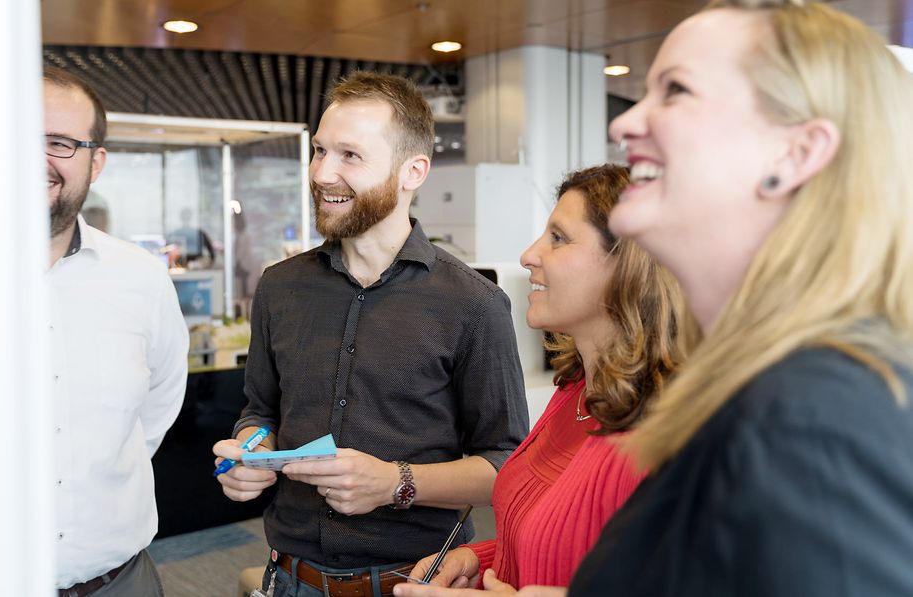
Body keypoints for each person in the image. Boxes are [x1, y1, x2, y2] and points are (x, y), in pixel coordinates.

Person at [565, 1, 913, 596]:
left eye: (675, 91)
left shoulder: (814, 414)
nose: (624, 123)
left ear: (795, 154)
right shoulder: (767, 389)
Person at [212, 71, 529, 597]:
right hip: (290, 578)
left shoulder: (474, 304)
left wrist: (396, 483)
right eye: (319, 151)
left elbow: (505, 467)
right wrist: (249, 453)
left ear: (413, 172)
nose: (321, 173)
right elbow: (261, 413)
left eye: (349, 156)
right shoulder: (280, 287)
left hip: (415, 582)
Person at [392, 166, 690, 597]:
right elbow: (570, 551)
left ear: (629, 266)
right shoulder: (575, 391)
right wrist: (484, 557)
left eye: (559, 238)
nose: (529, 255)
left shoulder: (668, 431)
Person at [44, 66, 190, 596]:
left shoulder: (140, 276)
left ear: (96, 162)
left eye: (60, 142)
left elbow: (159, 403)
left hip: (116, 582)